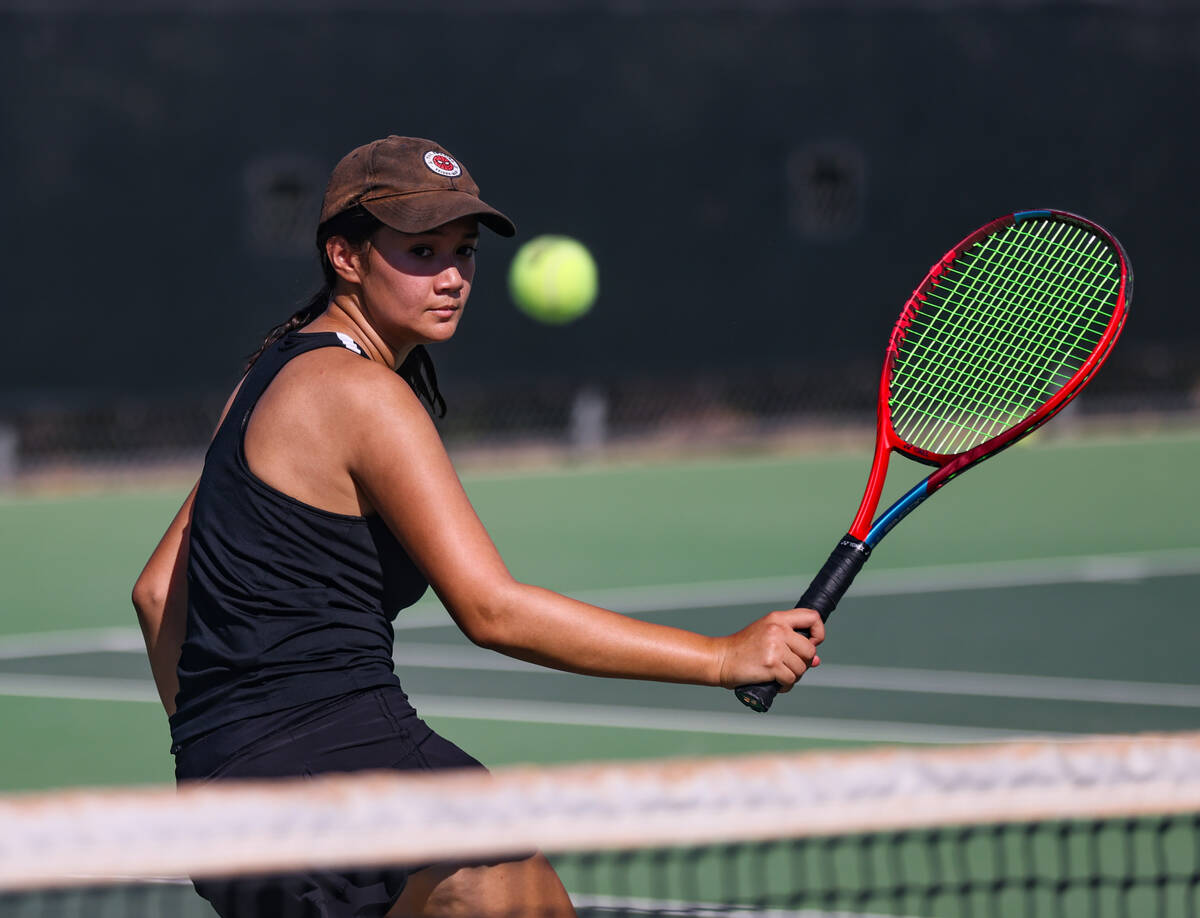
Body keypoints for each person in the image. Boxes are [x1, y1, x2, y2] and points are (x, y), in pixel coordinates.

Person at [132, 135, 824, 918]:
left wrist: (222, 759)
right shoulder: (363, 396)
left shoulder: (265, 377)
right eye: (421, 251)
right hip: (349, 756)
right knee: (523, 893)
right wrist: (723, 657)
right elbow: (491, 611)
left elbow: (158, 593)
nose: (454, 276)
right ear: (346, 256)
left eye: (463, 251)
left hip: (225, 791)